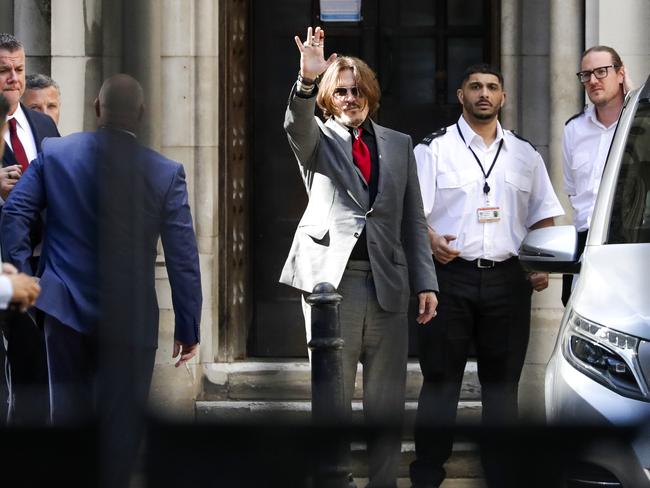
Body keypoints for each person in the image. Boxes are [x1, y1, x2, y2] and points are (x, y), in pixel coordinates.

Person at [0, 74, 201, 487]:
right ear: (142, 115)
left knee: (67, 426)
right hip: (128, 320)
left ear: (96, 108)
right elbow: (182, 256)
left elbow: (13, 214)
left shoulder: (55, 153)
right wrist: (188, 326)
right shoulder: (164, 173)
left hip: (62, 310)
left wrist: (28, 280)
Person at [280, 26, 438, 488]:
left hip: (388, 285)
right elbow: (295, 122)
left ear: (370, 93)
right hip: (333, 287)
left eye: (357, 89)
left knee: (386, 404)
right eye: (342, 91)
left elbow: (414, 217)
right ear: (331, 99)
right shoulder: (316, 139)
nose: (351, 97)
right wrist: (308, 81)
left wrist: (426, 281)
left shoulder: (399, 144)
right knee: (332, 399)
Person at [409, 64, 564, 488]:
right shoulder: (434, 149)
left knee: (502, 389)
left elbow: (544, 215)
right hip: (448, 279)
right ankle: (426, 476)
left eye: (492, 87)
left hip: (508, 281)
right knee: (440, 382)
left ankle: (501, 476)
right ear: (461, 95)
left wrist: (542, 262)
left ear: (503, 97)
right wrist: (430, 241)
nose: (484, 94)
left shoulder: (524, 153)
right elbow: (411, 215)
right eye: (475, 87)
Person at [0, 32, 59, 425]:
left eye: (19, 69)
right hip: (3, 268)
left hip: (42, 268)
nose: (14, 79)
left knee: (37, 369)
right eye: (4, 71)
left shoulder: (42, 125)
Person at [561, 45, 628, 306]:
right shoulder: (573, 129)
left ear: (621, 73)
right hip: (586, 243)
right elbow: (573, 191)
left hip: (631, 243)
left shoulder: (640, 123)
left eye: (602, 71)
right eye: (586, 74)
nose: (593, 80)